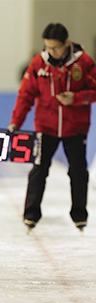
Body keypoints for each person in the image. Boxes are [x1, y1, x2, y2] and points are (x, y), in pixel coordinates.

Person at [8, 23, 96, 232]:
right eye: (48, 47)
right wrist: (15, 122)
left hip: (75, 128)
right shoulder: (39, 64)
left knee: (78, 172)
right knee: (39, 170)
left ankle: (79, 215)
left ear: (66, 43)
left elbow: (94, 90)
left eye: (55, 47)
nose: (51, 51)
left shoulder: (84, 63)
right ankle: (31, 215)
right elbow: (25, 95)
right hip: (45, 127)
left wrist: (76, 98)